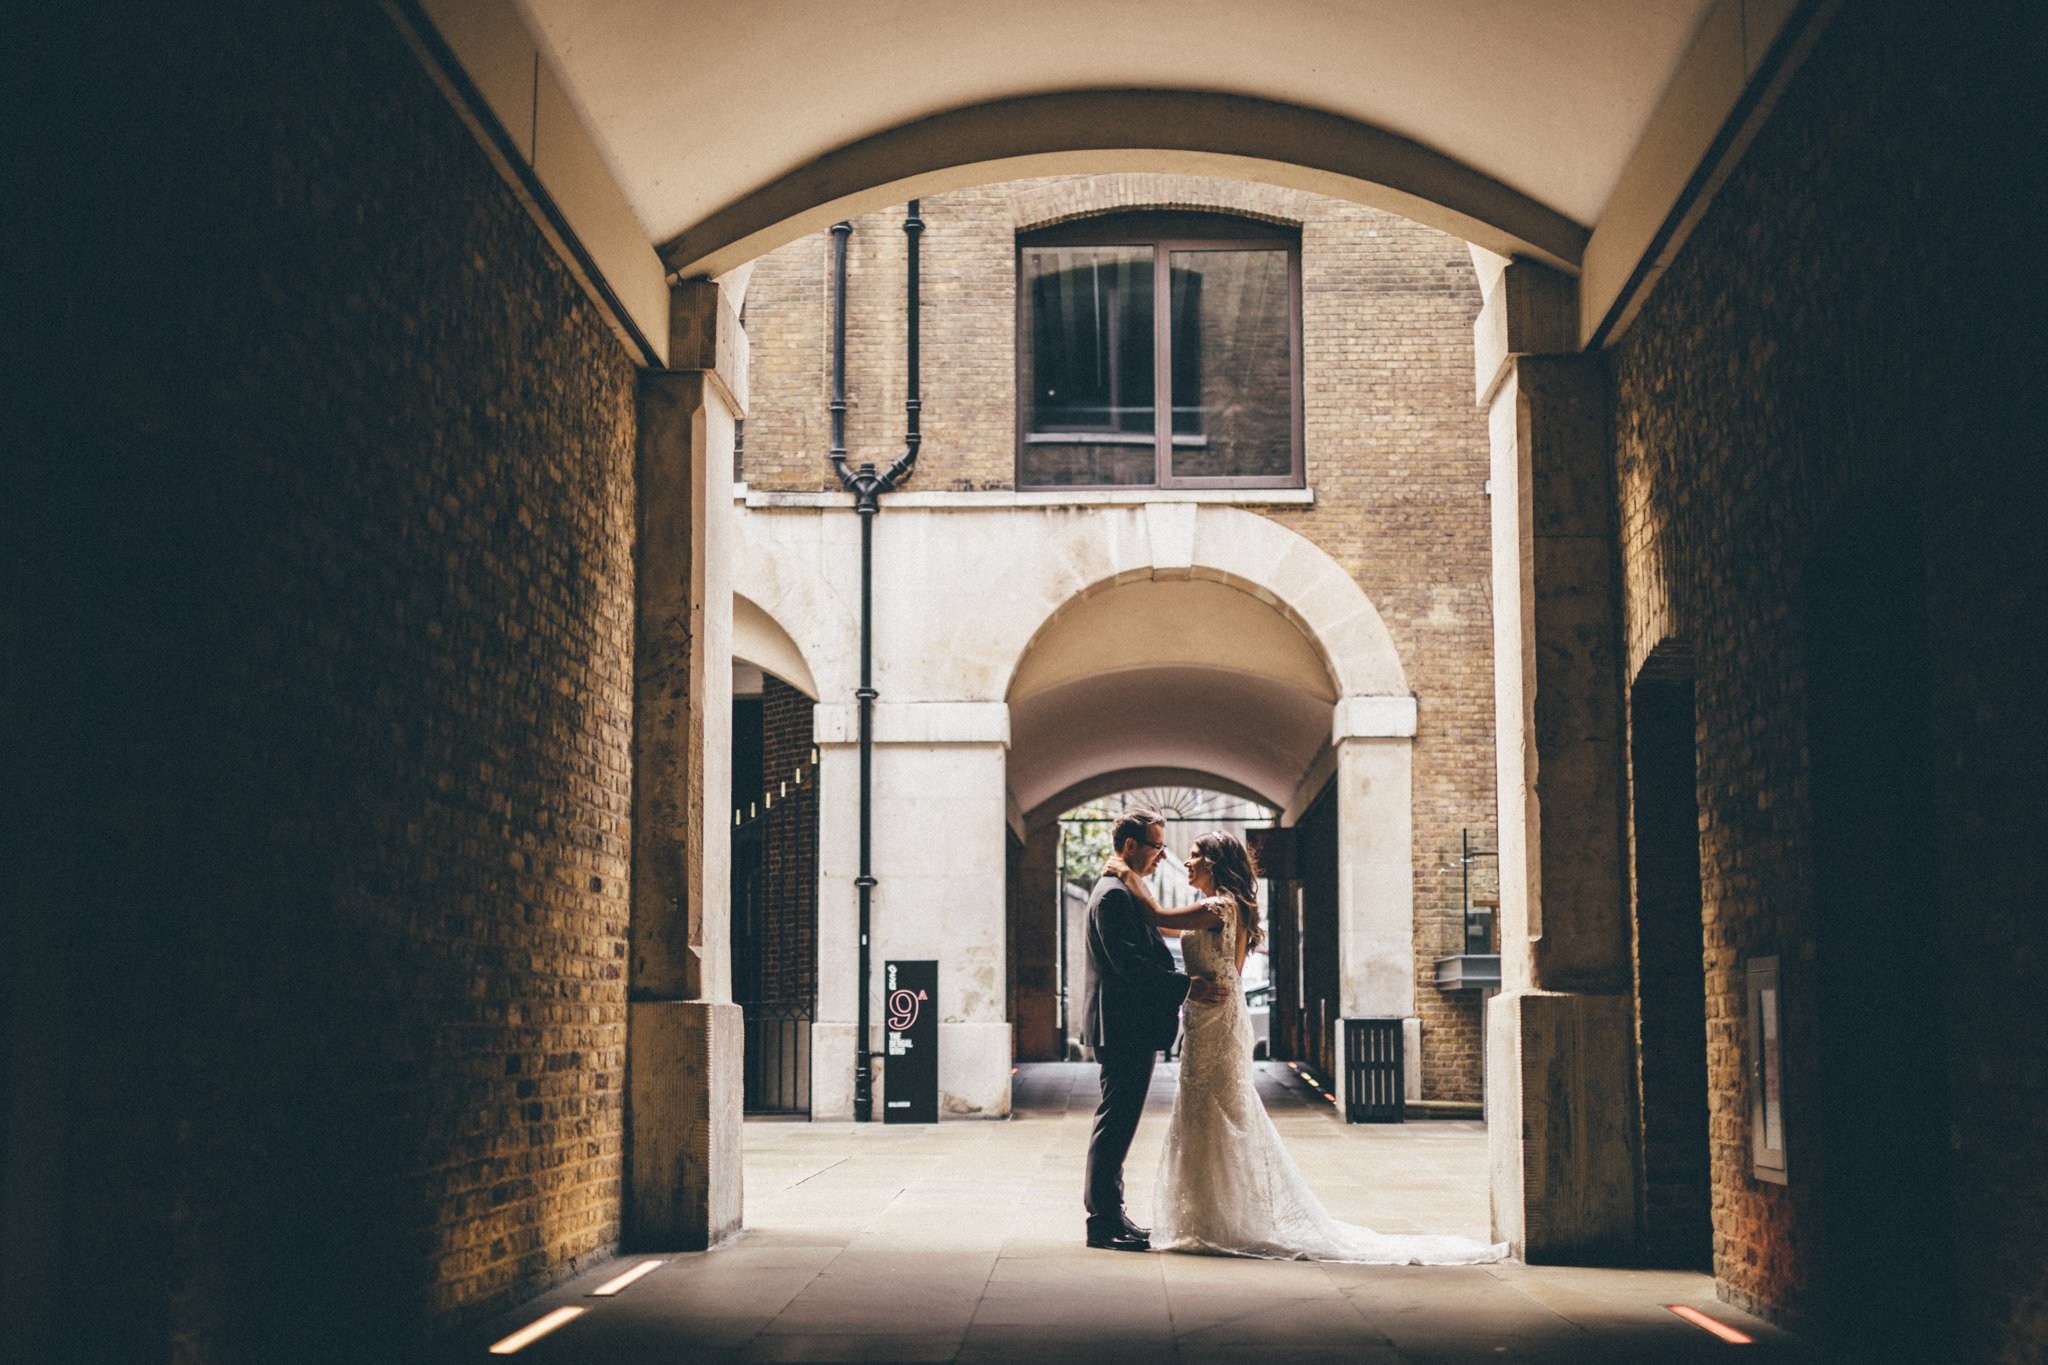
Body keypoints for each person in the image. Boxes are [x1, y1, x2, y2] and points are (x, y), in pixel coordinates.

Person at [1105, 829, 1508, 1265]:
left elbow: (1155, 914)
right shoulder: (1217, 909)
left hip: (1217, 1018)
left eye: (1196, 854)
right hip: (1211, 1015)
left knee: (1214, 1108)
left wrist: (1127, 875)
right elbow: (1166, 923)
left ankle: (1220, 1217)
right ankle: (1212, 1215)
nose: (1186, 861)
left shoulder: (1220, 906)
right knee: (1209, 1110)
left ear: (1217, 863)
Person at [1079, 808, 1230, 1251]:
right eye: (1157, 847)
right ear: (1130, 847)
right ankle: (1102, 1221)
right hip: (1123, 1026)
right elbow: (1130, 966)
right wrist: (1187, 985)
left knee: (1120, 1121)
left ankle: (1111, 1214)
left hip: (1129, 1025)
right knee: (1116, 1122)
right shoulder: (1112, 895)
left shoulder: (1120, 891)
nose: (1163, 857)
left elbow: (1152, 934)